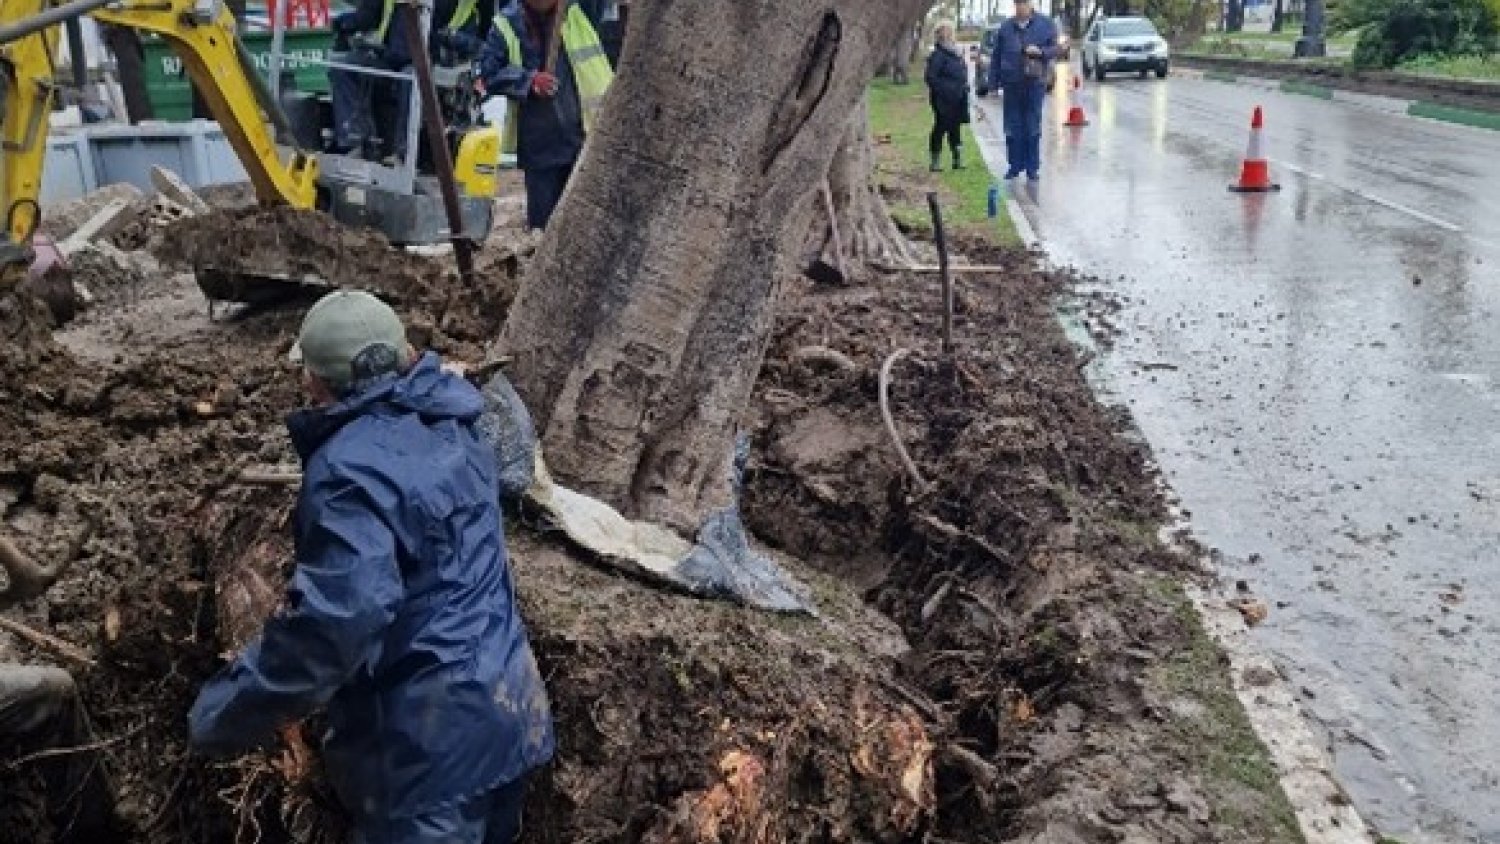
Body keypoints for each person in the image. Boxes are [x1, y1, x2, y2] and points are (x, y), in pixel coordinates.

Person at [187, 291, 555, 844]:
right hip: (509, 717)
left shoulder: (347, 473)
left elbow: (338, 622)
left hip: (425, 756)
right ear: (405, 354)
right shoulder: (454, 421)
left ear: (316, 381)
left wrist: (223, 713)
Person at [479, 0, 615, 229]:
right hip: (539, 143)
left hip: (581, 137)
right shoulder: (507, 24)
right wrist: (528, 80)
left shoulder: (578, 12)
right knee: (543, 224)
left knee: (581, 221)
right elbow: (489, 73)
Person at [329, 0, 492, 159]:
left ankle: (403, 152)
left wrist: (453, 39)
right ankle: (354, 139)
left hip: (435, 64)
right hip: (391, 57)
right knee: (346, 67)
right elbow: (368, 15)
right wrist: (341, 23)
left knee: (412, 79)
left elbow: (481, 41)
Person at [984, 0, 1060, 181]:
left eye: (1024, 3)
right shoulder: (1005, 28)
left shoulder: (1045, 24)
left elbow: (1057, 49)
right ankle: (1014, 166)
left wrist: (1040, 52)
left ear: (1031, 4)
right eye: (1017, 3)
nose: (1020, 7)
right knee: (1012, 126)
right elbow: (996, 56)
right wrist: (993, 85)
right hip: (1011, 84)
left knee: (1032, 126)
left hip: (1035, 83)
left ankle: (1032, 167)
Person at [924, 23, 970, 173]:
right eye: (945, 33)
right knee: (941, 126)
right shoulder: (937, 55)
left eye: (949, 32)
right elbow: (931, 77)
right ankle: (935, 160)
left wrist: (964, 85)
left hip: (958, 97)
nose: (948, 35)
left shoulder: (956, 53)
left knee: (955, 127)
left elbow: (962, 72)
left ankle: (957, 158)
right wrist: (945, 90)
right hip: (942, 99)